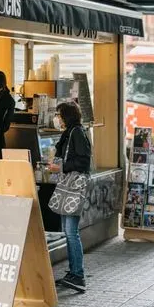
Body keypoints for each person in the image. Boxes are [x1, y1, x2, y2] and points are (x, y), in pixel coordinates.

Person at [50, 101, 91, 293]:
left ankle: (78, 274)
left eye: (59, 115)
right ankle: (74, 272)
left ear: (66, 116)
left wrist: (62, 167)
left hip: (74, 187)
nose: (57, 118)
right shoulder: (70, 132)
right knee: (68, 231)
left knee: (71, 232)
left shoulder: (77, 133)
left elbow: (83, 161)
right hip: (69, 186)